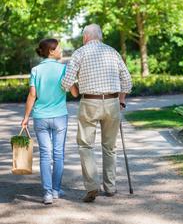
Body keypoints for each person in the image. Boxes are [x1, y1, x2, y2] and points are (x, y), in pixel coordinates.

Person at [62, 23, 132, 203]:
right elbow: (127, 80)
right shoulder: (112, 52)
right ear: (100, 36)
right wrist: (122, 100)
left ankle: (92, 187)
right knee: (110, 147)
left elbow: (66, 82)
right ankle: (110, 187)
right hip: (112, 102)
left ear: (85, 37)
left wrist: (76, 89)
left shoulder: (79, 52)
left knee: (86, 145)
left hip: (89, 102)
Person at [21, 38, 78, 204]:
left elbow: (32, 95)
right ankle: (55, 190)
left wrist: (25, 117)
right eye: (59, 48)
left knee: (45, 155)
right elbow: (74, 93)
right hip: (60, 116)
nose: (61, 51)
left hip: (40, 117)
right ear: (51, 51)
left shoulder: (36, 70)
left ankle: (47, 193)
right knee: (58, 154)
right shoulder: (64, 69)